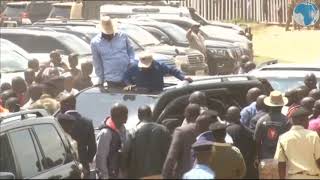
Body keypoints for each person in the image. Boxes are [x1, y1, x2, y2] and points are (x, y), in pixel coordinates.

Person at [162, 113, 212, 179]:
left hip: (183, 175)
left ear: (187, 116)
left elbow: (171, 157)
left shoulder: (181, 131)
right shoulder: (210, 130)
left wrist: (165, 176)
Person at [274, 107, 320, 179]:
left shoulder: (283, 138)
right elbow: (318, 159)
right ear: (304, 121)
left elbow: (281, 163)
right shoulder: (313, 136)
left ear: (292, 121)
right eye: (307, 120)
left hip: (293, 177)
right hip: (312, 177)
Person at [254, 91, 291, 179]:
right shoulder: (287, 121)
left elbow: (256, 141)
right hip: (282, 161)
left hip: (265, 160)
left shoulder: (261, 120)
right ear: (282, 105)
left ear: (269, 105)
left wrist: (257, 158)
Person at [58, 95, 96, 179]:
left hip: (65, 166)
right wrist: (86, 161)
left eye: (60, 106)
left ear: (66, 105)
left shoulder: (59, 122)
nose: (60, 109)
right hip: (84, 164)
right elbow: (93, 148)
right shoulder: (88, 122)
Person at [91, 16, 135, 87]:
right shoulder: (95, 42)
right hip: (111, 80)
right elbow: (97, 62)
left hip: (127, 76)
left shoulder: (122, 36)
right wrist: (101, 79)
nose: (109, 35)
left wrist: (131, 62)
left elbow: (130, 50)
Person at [128, 105, 171, 178]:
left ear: (138, 116)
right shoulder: (163, 130)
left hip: (138, 174)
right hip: (158, 174)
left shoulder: (133, 132)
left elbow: (126, 153)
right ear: (151, 114)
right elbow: (169, 152)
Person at [123, 52, 192, 92]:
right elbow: (126, 76)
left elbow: (173, 70)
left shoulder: (159, 66)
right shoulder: (134, 67)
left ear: (152, 62)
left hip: (157, 92)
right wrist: (129, 84)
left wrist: (183, 77)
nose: (144, 69)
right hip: (141, 93)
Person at [95, 103, 130, 179]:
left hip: (119, 173)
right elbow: (101, 157)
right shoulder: (106, 133)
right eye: (125, 114)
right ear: (117, 116)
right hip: (109, 175)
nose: (127, 117)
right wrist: (105, 176)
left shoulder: (123, 129)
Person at [225, 106, 258, 178]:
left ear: (227, 117)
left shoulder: (226, 132)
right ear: (240, 116)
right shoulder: (249, 132)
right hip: (248, 168)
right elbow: (255, 148)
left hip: (233, 169)